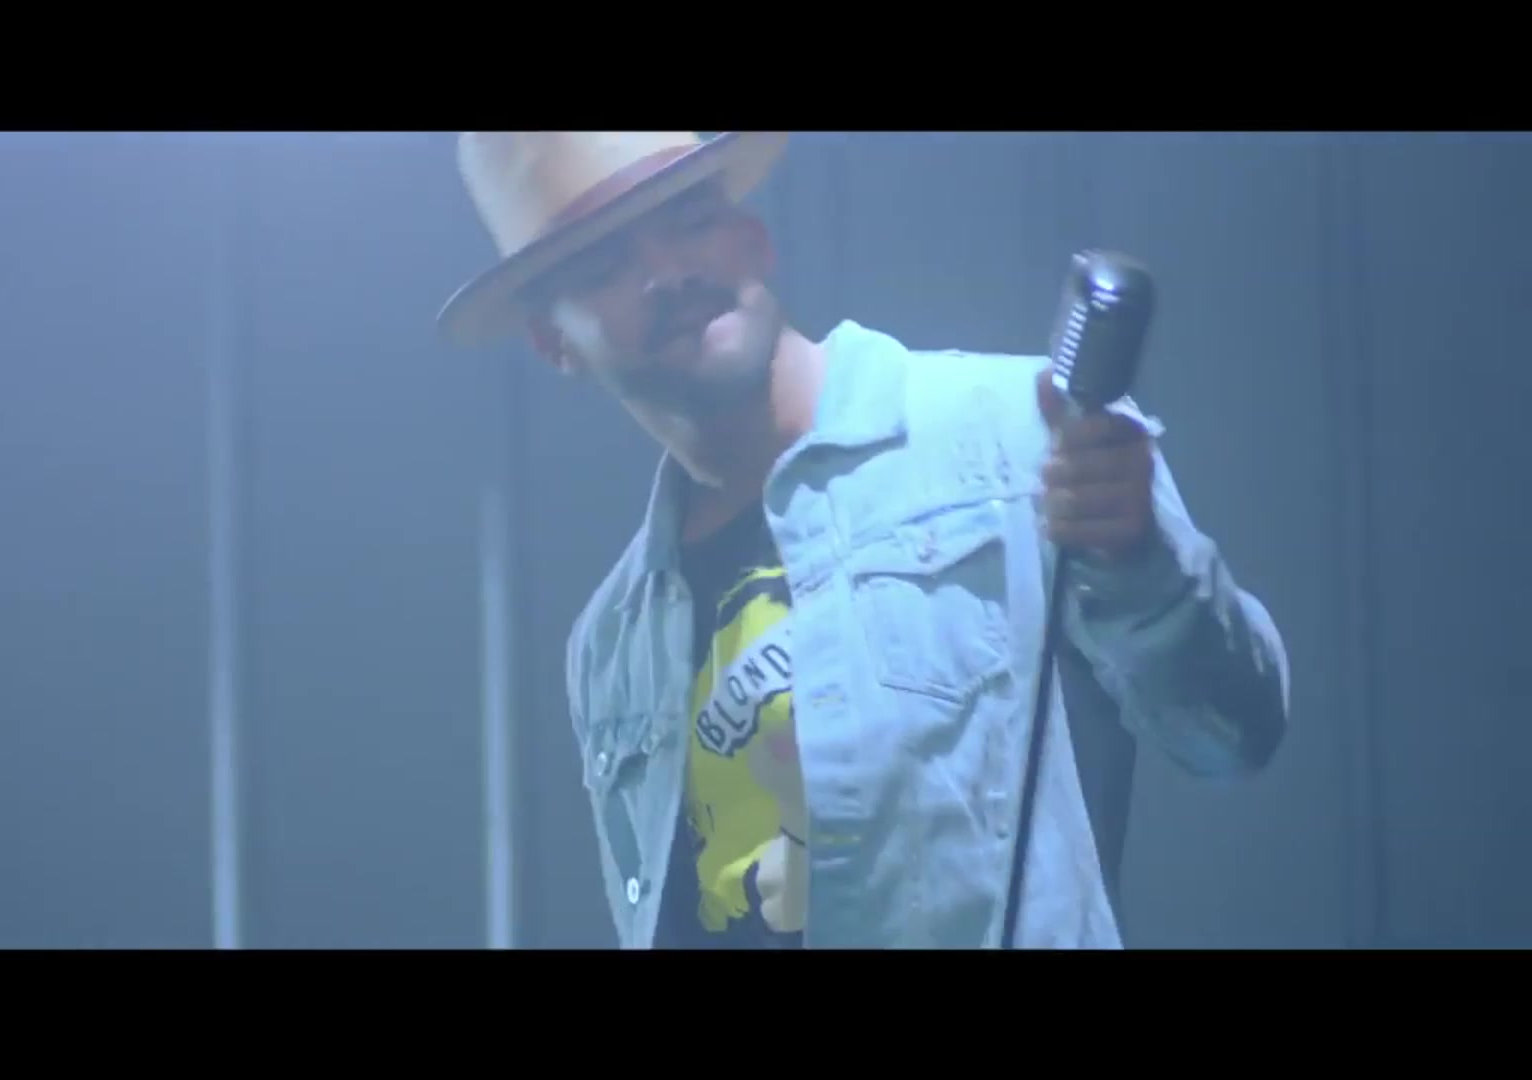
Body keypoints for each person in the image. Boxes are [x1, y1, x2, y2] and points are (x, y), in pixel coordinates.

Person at [435, 131, 1290, 949]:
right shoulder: (610, 641)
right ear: (553, 341)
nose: (668, 273)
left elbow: (1230, 733)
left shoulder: (1023, 437)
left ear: (753, 238)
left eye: (689, 221)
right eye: (605, 265)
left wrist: (1142, 567)